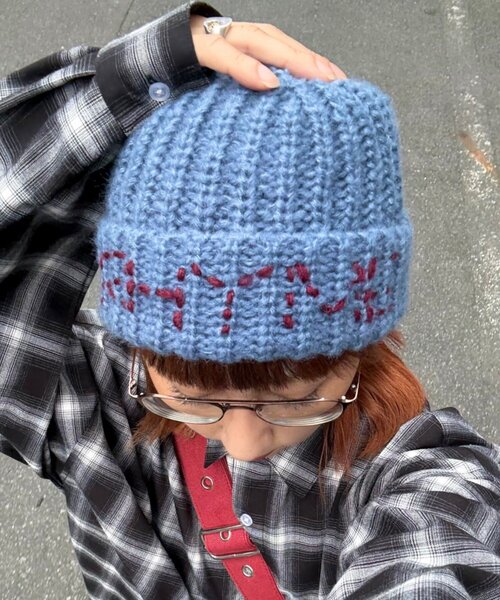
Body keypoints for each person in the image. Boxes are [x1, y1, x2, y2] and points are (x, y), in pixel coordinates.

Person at [1, 2, 499, 599]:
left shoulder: (423, 477)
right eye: (190, 393)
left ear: (359, 344)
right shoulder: (92, 406)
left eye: (296, 396)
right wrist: (123, 83)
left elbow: (440, 562)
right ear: (141, 342)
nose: (242, 443)